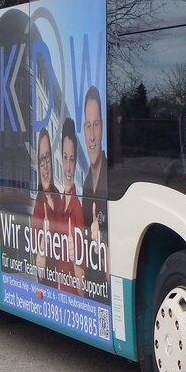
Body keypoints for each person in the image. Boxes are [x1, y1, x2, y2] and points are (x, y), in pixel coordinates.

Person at [55, 117, 87, 296]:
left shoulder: (77, 209)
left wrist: (76, 263)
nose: (67, 168)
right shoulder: (57, 203)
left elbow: (82, 289)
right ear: (60, 155)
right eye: (65, 158)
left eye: (72, 160)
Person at [81, 85, 107, 285]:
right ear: (83, 130)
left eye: (96, 125)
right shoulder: (85, 185)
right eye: (88, 125)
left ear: (103, 127)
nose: (92, 136)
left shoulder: (115, 180)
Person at [30, 128, 59, 287]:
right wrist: (43, 242)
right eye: (41, 161)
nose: (45, 166)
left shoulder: (59, 197)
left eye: (47, 158)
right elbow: (39, 270)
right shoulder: (39, 206)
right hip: (49, 283)